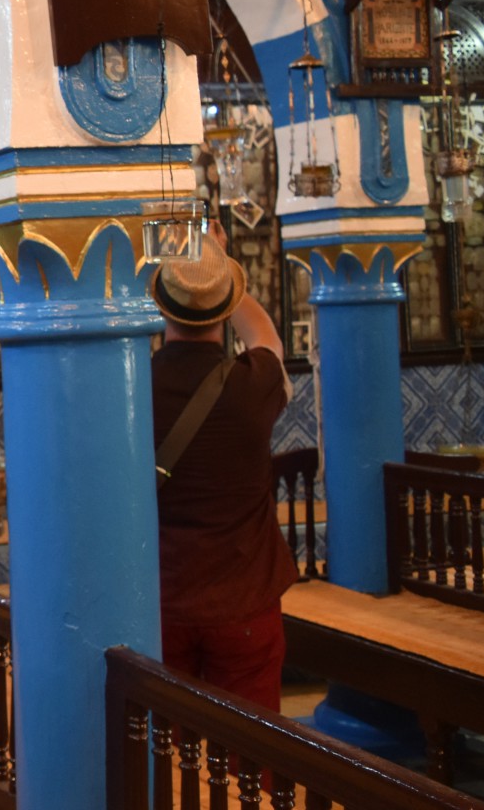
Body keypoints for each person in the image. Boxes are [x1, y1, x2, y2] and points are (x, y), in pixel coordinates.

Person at [149, 232, 299, 712]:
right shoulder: (253, 383)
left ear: (161, 307)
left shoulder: (133, 385)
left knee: (166, 751)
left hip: (162, 599)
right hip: (245, 601)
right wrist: (219, 266)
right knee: (250, 756)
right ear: (225, 307)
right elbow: (266, 338)